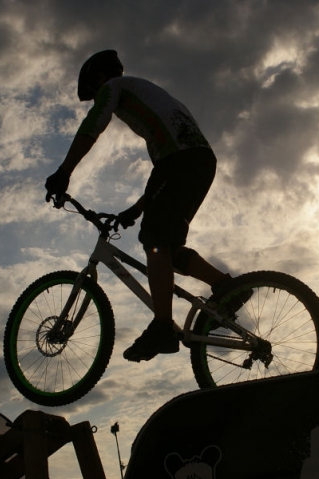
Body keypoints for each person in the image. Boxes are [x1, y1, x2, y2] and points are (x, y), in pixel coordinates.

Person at [45, 50, 233, 362]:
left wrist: (64, 172)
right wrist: (135, 210)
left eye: (93, 93)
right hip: (197, 162)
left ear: (99, 80)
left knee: (155, 241)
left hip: (181, 163)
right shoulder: (147, 97)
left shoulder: (114, 88)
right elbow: (162, 173)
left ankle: (163, 327)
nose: (96, 99)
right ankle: (226, 288)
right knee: (165, 247)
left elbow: (92, 126)